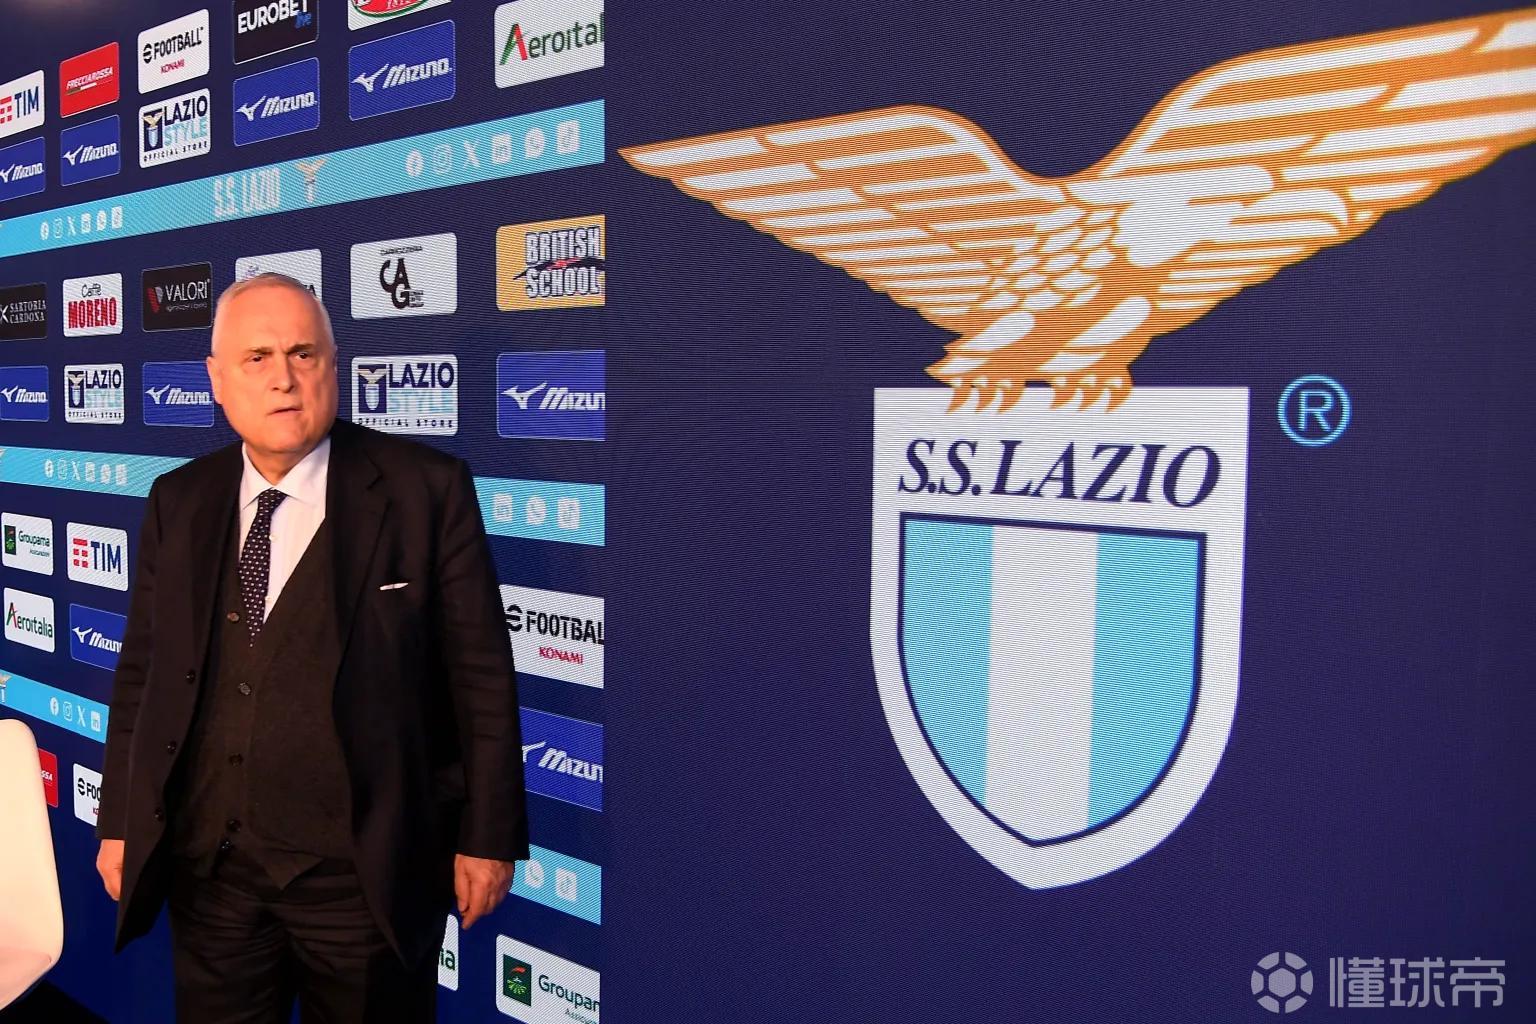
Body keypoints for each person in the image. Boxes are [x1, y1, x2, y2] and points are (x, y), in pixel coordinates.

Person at [95, 273, 527, 1021]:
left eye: (303, 354)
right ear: (217, 380)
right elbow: (142, 674)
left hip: (365, 885)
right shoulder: (179, 498)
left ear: (333, 365)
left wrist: (489, 837)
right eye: (257, 358)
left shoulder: (425, 490)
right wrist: (122, 819)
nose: (284, 379)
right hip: (212, 880)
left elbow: (480, 678)